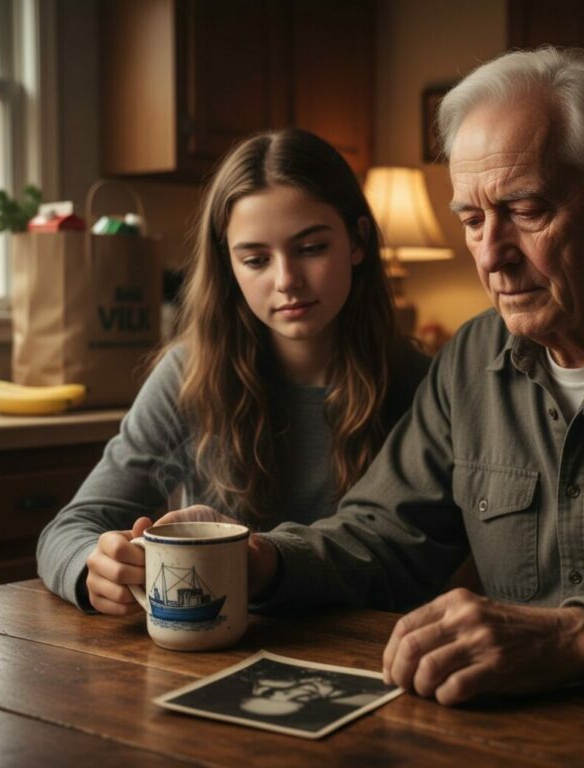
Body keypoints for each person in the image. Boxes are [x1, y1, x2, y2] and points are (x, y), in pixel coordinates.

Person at [225, 46, 584, 704]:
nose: (492, 256)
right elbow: (384, 536)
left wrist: (575, 638)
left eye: (526, 212)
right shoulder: (470, 361)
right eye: (471, 219)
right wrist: (262, 561)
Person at [36, 128, 429, 614]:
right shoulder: (190, 373)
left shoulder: (423, 385)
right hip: (220, 654)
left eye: (311, 248)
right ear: (229, 265)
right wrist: (91, 567)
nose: (286, 280)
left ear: (358, 241)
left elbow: (410, 563)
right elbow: (69, 529)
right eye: (256, 259)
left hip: (374, 654)